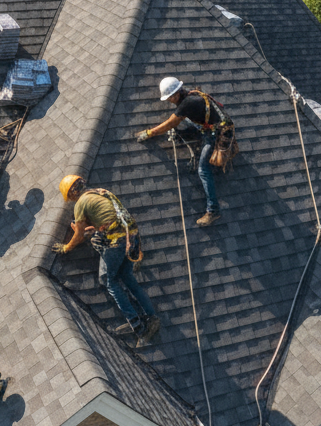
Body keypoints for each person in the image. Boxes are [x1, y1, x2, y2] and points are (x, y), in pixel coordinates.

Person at [54, 175, 159, 346]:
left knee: (108, 280)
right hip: (131, 236)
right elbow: (105, 221)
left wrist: (66, 247)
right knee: (126, 276)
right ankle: (152, 317)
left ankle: (138, 327)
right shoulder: (101, 192)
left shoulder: (81, 204)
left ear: (73, 194)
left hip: (117, 241)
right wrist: (90, 229)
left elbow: (79, 235)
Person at [135, 77, 228, 227]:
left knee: (203, 170)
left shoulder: (188, 103)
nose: (169, 101)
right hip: (212, 124)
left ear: (176, 94)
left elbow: (171, 122)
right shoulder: (191, 95)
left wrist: (149, 133)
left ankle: (213, 210)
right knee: (185, 121)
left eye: (170, 98)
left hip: (215, 135)